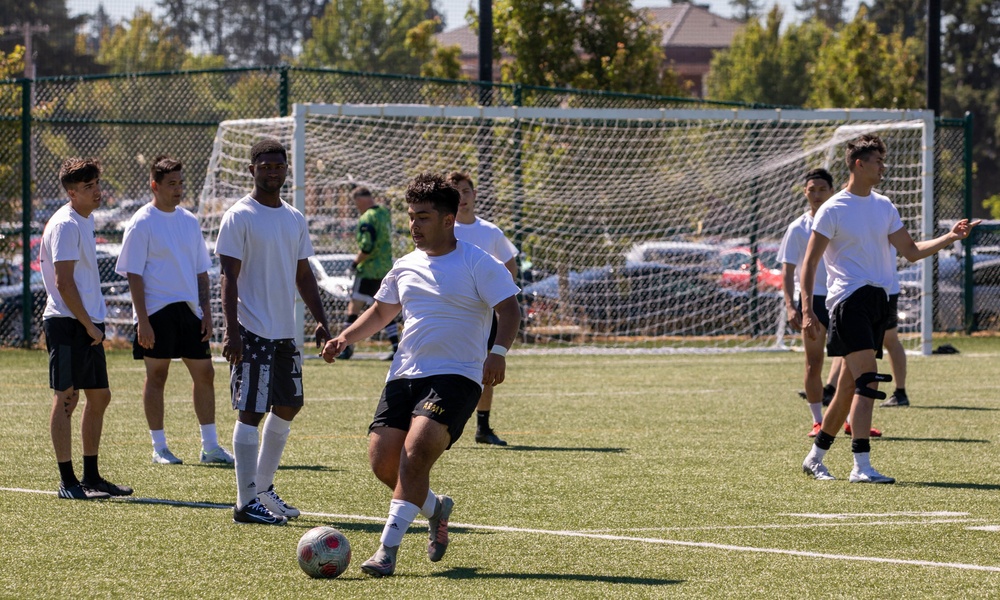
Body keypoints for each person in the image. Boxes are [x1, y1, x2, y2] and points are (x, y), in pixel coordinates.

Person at [322, 173, 520, 577]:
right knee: (383, 463)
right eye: (411, 217)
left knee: (414, 456)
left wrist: (497, 352)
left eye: (424, 217)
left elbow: (510, 309)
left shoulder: (478, 261)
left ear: (449, 220)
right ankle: (435, 508)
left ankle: (386, 551)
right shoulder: (405, 265)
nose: (414, 226)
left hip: (458, 376)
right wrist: (344, 337)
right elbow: (381, 312)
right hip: (404, 374)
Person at [800, 134, 979, 484]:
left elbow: (910, 251)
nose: (884, 166)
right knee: (868, 380)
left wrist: (950, 238)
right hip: (848, 302)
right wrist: (807, 309)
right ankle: (861, 465)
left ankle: (816, 456)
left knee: (851, 386)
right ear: (858, 164)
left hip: (879, 302)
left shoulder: (884, 206)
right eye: (878, 161)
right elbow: (809, 263)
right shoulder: (833, 209)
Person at [215, 139, 332, 525]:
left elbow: (303, 274)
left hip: (285, 332)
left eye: (277, 166)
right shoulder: (239, 215)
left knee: (289, 405)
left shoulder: (294, 218)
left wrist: (321, 319)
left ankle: (263, 490)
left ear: (286, 170)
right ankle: (244, 502)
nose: (271, 171)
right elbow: (228, 276)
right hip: (251, 329)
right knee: (250, 411)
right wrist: (230, 331)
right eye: (264, 166)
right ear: (252, 170)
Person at [115, 155, 234, 466]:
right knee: (157, 375)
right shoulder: (142, 221)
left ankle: (210, 447)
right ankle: (160, 447)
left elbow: (200, 271)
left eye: (181, 183)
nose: (178, 189)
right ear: (155, 186)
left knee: (205, 373)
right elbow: (133, 273)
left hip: (189, 311)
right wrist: (142, 320)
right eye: (171, 184)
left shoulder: (189, 220)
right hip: (155, 311)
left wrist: (206, 312)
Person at [40, 158, 133, 500]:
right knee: (67, 398)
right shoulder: (65, 224)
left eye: (97, 184)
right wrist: (87, 325)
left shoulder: (85, 219)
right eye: (89, 187)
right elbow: (64, 284)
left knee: (99, 396)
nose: (97, 191)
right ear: (71, 192)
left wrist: (93, 323)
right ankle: (68, 482)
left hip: (86, 322)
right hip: (67, 323)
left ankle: (91, 477)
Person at [779, 168, 880, 439]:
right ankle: (817, 420)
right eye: (812, 190)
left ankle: (851, 421)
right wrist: (793, 306)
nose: (816, 195)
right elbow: (788, 271)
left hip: (843, 299)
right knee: (814, 363)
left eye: (822, 189)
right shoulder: (797, 228)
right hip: (813, 301)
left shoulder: (843, 217)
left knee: (852, 365)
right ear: (805, 193)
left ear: (831, 191)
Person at [446, 171, 519, 446]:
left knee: (487, 367)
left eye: (465, 191)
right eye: (455, 192)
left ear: (474, 195)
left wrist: (499, 294)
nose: (461, 198)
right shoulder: (445, 228)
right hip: (452, 312)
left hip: (485, 314)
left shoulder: (490, 231)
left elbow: (510, 266)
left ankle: (483, 427)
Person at [335, 186, 399, 361]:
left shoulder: (367, 217)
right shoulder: (384, 213)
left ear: (361, 200)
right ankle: (396, 347)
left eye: (356, 204)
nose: (357, 208)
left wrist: (355, 263)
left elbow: (367, 247)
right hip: (384, 268)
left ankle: (346, 347)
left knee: (353, 306)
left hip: (369, 270)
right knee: (386, 308)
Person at [880, 266, 911, 407]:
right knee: (890, 340)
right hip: (882, 286)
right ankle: (900, 392)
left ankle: (900, 392)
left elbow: (911, 252)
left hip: (878, 287)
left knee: (888, 341)